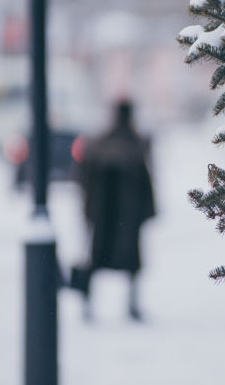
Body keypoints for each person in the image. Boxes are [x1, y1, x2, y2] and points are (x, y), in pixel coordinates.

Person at [78, 100, 155, 321]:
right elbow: (145, 182)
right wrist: (148, 211)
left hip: (104, 215)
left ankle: (89, 304)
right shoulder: (135, 143)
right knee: (129, 263)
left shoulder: (100, 143)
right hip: (127, 216)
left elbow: (86, 180)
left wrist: (87, 210)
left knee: (96, 259)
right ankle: (130, 306)